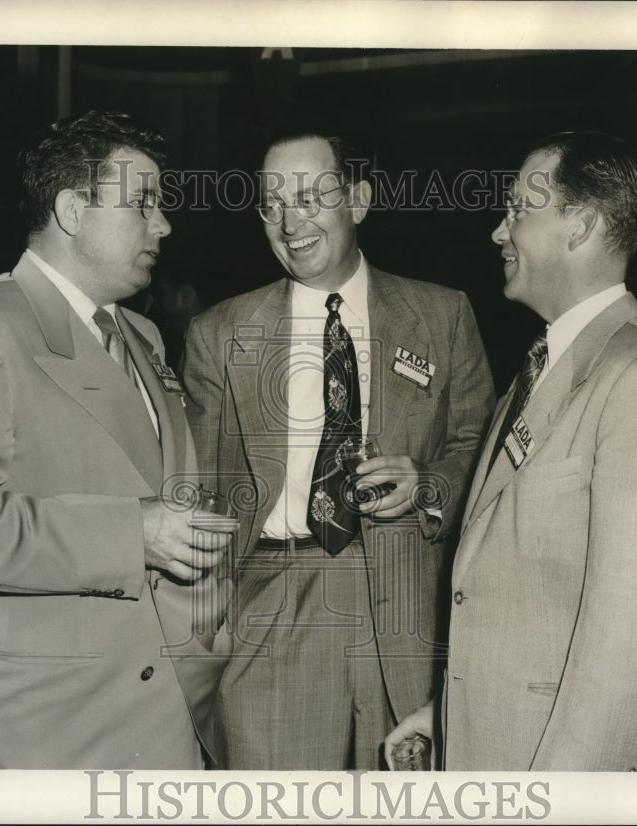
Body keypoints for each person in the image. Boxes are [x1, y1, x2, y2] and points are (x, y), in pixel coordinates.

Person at [0, 109, 237, 769]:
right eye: (143, 204)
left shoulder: (142, 336)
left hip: (173, 716)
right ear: (73, 210)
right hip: (58, 732)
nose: (162, 224)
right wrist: (129, 533)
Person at [385, 131, 637, 771]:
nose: (497, 231)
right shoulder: (539, 370)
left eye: (518, 210)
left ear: (581, 226)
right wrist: (451, 718)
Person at [182, 131, 495, 769]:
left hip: (412, 613)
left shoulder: (443, 315)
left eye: (308, 196)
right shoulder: (218, 333)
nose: (289, 222)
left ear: (358, 198)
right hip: (274, 602)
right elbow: (202, 487)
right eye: (271, 204)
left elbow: (480, 452)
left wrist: (428, 483)